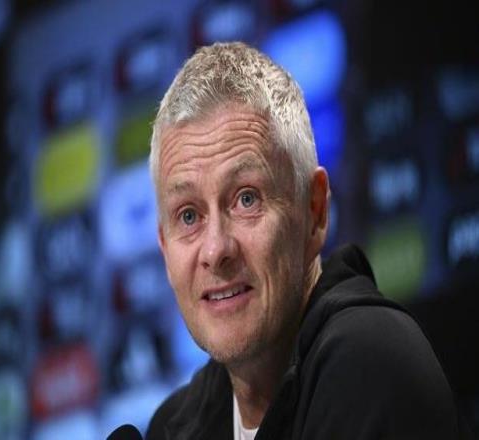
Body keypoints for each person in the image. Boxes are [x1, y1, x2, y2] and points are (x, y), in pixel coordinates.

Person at [145, 42, 469, 439]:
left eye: (247, 199)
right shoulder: (174, 426)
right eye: (188, 216)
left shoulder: (371, 360)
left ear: (314, 211)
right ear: (165, 247)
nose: (216, 250)